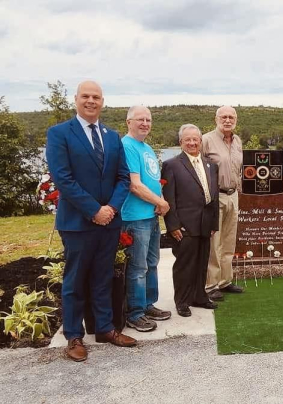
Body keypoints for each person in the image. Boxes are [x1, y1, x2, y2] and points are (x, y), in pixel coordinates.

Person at [46, 81, 136, 362]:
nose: (91, 101)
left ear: (102, 102)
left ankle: (105, 328)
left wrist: (110, 208)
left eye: (96, 97)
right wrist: (94, 210)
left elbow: (123, 177)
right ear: (76, 99)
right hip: (77, 223)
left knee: (103, 277)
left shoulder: (112, 136)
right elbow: (63, 178)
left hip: (109, 221)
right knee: (75, 280)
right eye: (85, 96)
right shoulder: (59, 133)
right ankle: (74, 336)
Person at [121, 106, 172, 332]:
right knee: (137, 266)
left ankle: (148, 304)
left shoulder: (147, 147)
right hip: (135, 218)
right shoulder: (127, 146)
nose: (145, 123)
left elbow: (153, 181)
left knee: (152, 264)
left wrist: (160, 200)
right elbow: (134, 185)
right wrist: (160, 203)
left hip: (150, 216)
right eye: (140, 119)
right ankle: (135, 313)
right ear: (128, 122)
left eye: (148, 119)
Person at [162, 124, 219, 317]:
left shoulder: (211, 164)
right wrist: (173, 224)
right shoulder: (172, 165)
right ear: (181, 142)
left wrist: (214, 223)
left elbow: (215, 197)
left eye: (196, 139)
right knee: (185, 265)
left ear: (201, 142)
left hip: (205, 223)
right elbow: (168, 197)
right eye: (188, 139)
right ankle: (183, 301)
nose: (193, 142)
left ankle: (199, 296)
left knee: (202, 262)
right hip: (184, 226)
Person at [202, 106, 243, 301]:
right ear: (216, 119)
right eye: (224, 117)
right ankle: (211, 284)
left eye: (231, 117)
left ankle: (226, 281)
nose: (227, 120)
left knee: (229, 241)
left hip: (233, 196)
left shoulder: (237, 141)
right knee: (214, 242)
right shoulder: (206, 140)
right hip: (215, 196)